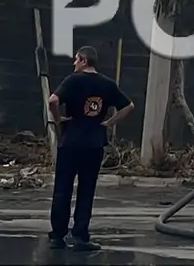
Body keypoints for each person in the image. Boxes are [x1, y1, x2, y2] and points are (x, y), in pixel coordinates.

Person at [46, 46, 134, 251]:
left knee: (63, 189)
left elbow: (53, 100)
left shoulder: (73, 80)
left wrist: (59, 119)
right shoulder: (107, 84)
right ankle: (81, 236)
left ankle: (58, 235)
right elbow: (129, 106)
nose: (74, 63)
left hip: (71, 141)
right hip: (94, 143)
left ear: (84, 60)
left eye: (76, 59)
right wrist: (110, 122)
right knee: (87, 190)